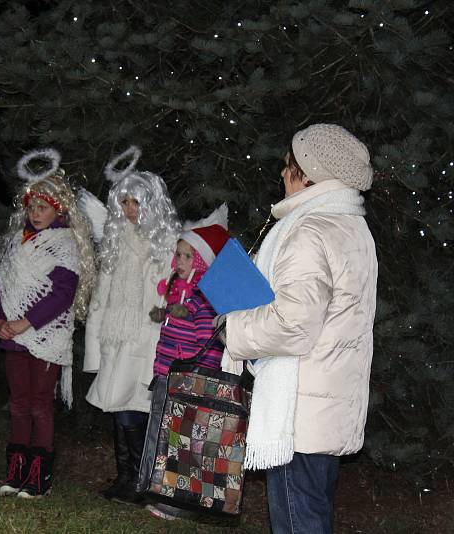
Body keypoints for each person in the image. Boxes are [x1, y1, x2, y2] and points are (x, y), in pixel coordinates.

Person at [224, 124, 378, 533]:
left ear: (307, 174)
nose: (282, 172)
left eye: (289, 164)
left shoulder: (309, 231)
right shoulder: (350, 226)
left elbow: (293, 325)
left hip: (299, 409)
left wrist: (234, 326)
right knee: (311, 514)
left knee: (297, 522)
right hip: (324, 401)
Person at [0, 148, 96, 499]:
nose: (36, 214)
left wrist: (26, 322)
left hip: (44, 337)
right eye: (32, 208)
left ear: (58, 209)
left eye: (43, 208)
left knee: (39, 404)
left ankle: (40, 474)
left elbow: (62, 295)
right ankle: (16, 469)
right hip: (13, 338)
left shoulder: (63, 245)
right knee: (18, 402)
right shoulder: (15, 244)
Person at [82, 147, 179, 505]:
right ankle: (128, 476)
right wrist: (94, 346)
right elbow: (101, 298)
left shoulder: (166, 245)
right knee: (116, 407)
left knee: (131, 407)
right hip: (114, 339)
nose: (130, 210)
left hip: (144, 341)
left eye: (136, 203)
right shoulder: (115, 242)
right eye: (124, 203)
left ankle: (140, 479)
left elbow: (170, 297)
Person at [145, 217, 231, 521]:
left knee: (180, 440)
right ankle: (156, 488)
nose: (179, 261)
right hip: (166, 373)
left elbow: (208, 343)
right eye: (177, 254)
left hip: (189, 381)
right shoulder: (175, 290)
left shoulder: (203, 296)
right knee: (160, 433)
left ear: (200, 261)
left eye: (187, 255)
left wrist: (196, 376)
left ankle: (177, 500)